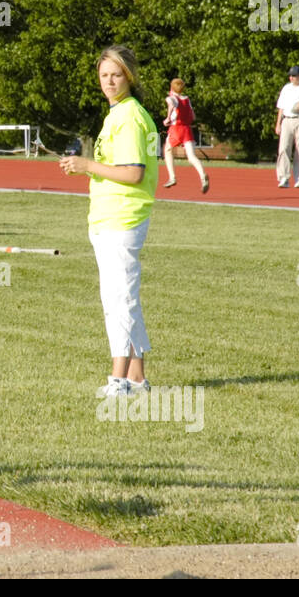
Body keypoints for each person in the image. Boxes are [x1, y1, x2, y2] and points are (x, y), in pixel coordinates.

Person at [60, 45, 159, 399]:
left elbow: (134, 173)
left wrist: (87, 165)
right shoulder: (117, 115)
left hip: (123, 218)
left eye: (116, 75)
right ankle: (136, 379)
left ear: (129, 76)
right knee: (120, 298)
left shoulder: (130, 117)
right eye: (104, 75)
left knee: (120, 298)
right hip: (108, 218)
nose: (109, 82)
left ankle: (119, 379)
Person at [162, 78, 209, 193]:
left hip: (176, 128)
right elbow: (193, 116)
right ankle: (203, 175)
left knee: (167, 150)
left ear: (172, 87)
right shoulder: (187, 99)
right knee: (191, 156)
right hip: (187, 129)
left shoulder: (171, 98)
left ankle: (172, 177)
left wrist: (168, 118)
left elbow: (171, 104)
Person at [275, 65, 299, 188]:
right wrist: (278, 123)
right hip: (287, 120)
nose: (291, 78)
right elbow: (281, 107)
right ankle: (284, 178)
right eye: (290, 76)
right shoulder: (286, 88)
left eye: (294, 75)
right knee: (283, 149)